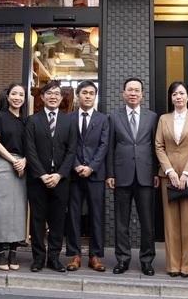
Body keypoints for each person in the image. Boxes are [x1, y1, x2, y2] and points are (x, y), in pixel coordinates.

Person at [106, 77, 159, 276]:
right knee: (121, 221)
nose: (133, 93)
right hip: (121, 175)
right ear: (123, 93)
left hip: (146, 174)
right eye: (130, 90)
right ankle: (122, 259)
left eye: (137, 90)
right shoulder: (114, 117)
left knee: (147, 221)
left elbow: (156, 147)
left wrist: (155, 172)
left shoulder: (152, 117)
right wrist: (110, 173)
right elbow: (110, 147)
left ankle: (147, 260)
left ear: (142, 94)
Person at [24, 81, 77, 273]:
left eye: (57, 93)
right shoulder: (32, 120)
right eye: (49, 93)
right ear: (42, 97)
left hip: (61, 180)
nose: (53, 96)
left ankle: (54, 258)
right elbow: (30, 150)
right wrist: (42, 174)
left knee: (57, 221)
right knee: (37, 219)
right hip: (38, 179)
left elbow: (72, 151)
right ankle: (38, 258)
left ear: (62, 98)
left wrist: (60, 174)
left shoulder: (69, 121)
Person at [154, 81, 188, 278]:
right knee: (171, 221)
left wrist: (185, 173)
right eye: (174, 94)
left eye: (182, 93)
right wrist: (170, 172)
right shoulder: (163, 119)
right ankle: (173, 266)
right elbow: (159, 146)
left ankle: (187, 266)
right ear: (171, 98)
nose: (178, 97)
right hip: (169, 176)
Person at [65, 80, 109, 273]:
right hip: (74, 174)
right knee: (73, 214)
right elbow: (66, 145)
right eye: (84, 92)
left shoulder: (103, 119)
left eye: (92, 93)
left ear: (95, 96)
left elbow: (104, 146)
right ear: (78, 95)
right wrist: (76, 165)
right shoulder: (69, 118)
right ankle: (74, 254)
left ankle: (95, 255)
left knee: (96, 215)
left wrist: (91, 167)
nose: (88, 96)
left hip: (95, 174)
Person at [0, 83, 28, 271]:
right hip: (3, 163)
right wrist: (14, 161)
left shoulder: (26, 121)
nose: (17, 97)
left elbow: (32, 146)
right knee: (1, 209)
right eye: (14, 94)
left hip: (22, 166)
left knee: (18, 210)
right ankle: (0, 252)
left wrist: (25, 161)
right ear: (8, 96)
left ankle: (13, 251)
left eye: (21, 94)